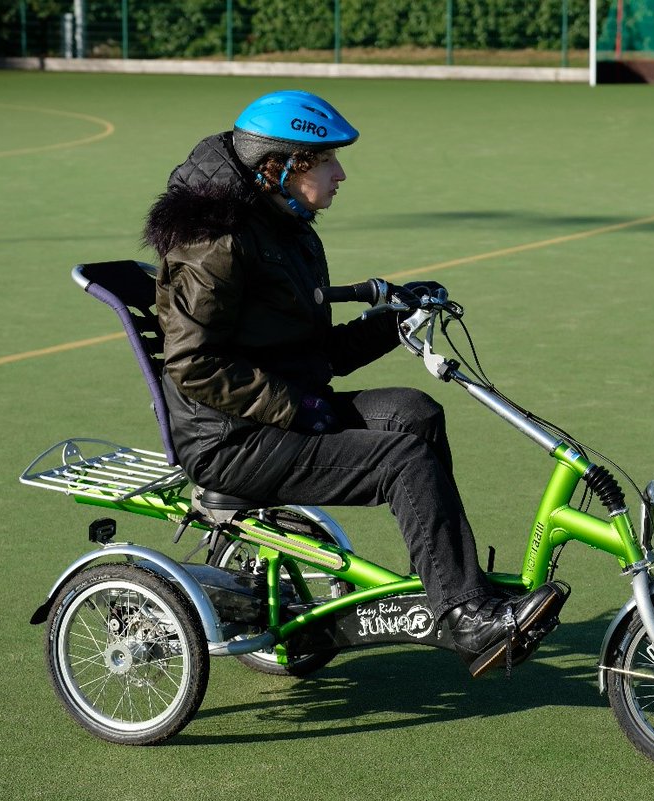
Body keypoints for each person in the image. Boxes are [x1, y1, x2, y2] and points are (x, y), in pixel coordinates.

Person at [141, 90, 566, 678]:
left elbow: (318, 355)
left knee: (414, 412)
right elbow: (192, 366)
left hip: (274, 416)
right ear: (281, 165)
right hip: (230, 440)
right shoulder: (217, 244)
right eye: (327, 161)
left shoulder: (286, 227)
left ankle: (448, 586)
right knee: (402, 459)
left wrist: (393, 323)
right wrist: (298, 408)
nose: (341, 174)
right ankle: (465, 615)